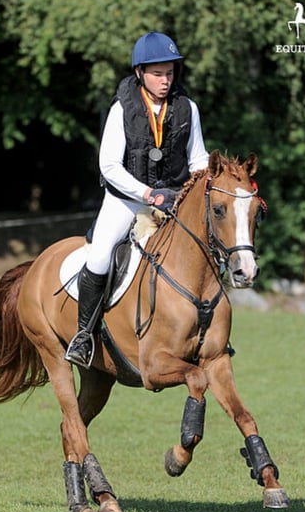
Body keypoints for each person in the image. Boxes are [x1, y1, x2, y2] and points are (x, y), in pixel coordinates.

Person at [64, 31, 210, 367]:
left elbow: (199, 160)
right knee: (100, 257)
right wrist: (145, 193)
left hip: (172, 201)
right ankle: (84, 335)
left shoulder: (188, 109)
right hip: (125, 201)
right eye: (157, 74)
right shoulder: (121, 110)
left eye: (170, 73)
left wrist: (193, 191)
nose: (165, 80)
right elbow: (109, 166)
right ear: (139, 74)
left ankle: (210, 330)